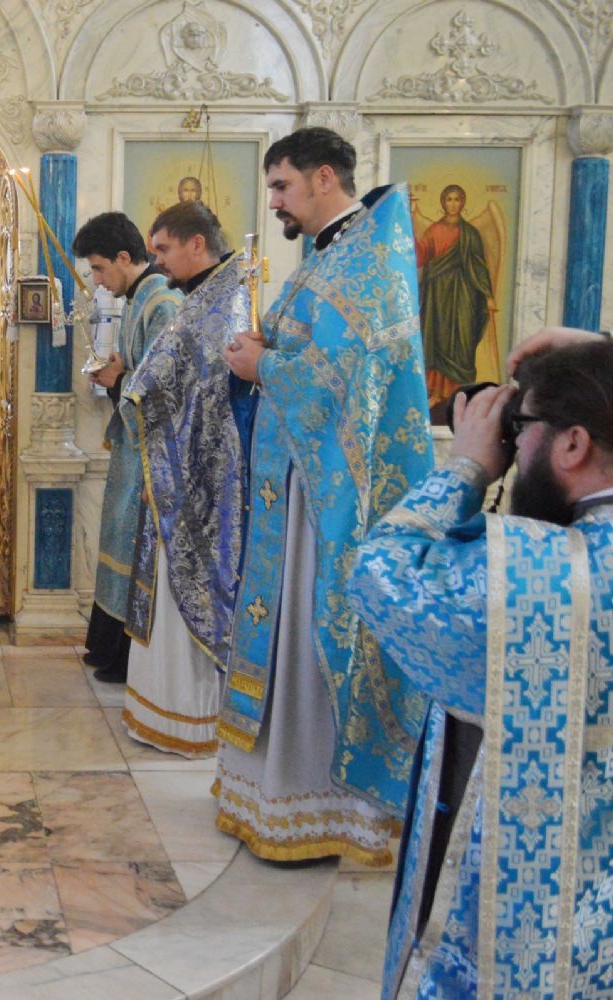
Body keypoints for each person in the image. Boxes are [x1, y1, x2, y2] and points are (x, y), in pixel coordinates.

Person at [349, 329, 613, 998]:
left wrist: (464, 467)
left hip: (523, 945)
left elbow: (379, 574)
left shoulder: (533, 575)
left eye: (520, 429)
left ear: (573, 444)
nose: (513, 449)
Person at [219, 127, 434, 862]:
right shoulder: (327, 256)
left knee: (315, 627)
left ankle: (322, 806)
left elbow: (343, 380)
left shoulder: (365, 261)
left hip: (330, 496)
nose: (275, 201)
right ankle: (275, 792)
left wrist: (263, 367)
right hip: (295, 484)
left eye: (281, 186)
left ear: (321, 178)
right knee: (287, 630)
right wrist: (261, 353)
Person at [112, 201, 251, 756]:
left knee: (190, 585)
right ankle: (164, 712)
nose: (159, 262)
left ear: (197, 244)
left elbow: (185, 386)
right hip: (179, 465)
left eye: (164, 249)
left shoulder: (222, 301)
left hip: (203, 477)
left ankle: (191, 719)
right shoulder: (206, 297)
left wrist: (137, 392)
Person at [72, 211, 183, 686]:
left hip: (151, 454)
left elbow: (168, 389)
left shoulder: (163, 304)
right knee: (118, 539)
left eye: (99, 269)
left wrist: (119, 379)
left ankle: (128, 658)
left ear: (123, 258)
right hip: (131, 447)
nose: (97, 281)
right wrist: (118, 373)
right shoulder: (140, 298)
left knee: (134, 545)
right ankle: (107, 646)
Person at [416, 184, 496, 414]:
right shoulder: (433, 230)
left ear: (463, 203)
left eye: (457, 199)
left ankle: (461, 393)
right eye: (449, 199)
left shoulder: (471, 234)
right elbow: (420, 258)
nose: (453, 204)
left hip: (463, 295)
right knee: (437, 338)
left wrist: (488, 296)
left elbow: (479, 266)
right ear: (443, 202)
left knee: (462, 341)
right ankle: (437, 393)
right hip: (437, 294)